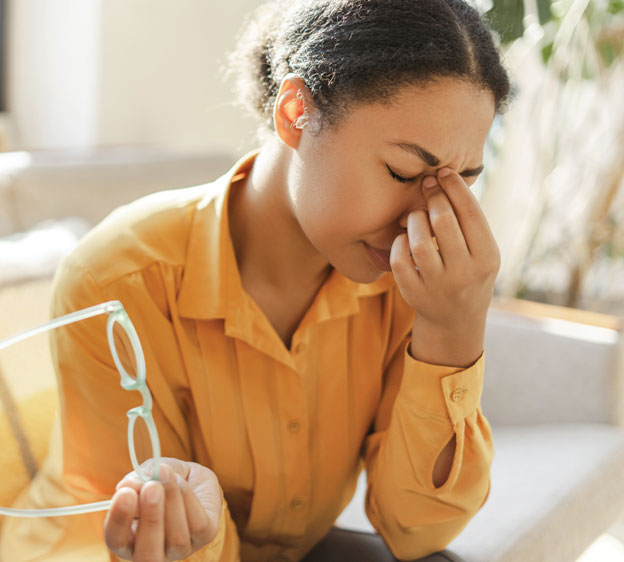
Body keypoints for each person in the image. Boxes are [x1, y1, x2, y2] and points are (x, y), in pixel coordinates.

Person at [1, 0, 511, 560]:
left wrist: (454, 331)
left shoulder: (412, 279)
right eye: (404, 172)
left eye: (460, 182)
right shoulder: (118, 279)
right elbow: (154, 540)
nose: (425, 221)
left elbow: (416, 531)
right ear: (295, 113)